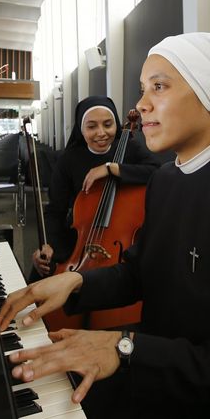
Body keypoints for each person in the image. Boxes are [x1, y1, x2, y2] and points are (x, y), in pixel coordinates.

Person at [0, 33, 210, 418]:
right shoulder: (166, 178)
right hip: (161, 377)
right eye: (143, 89)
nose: (141, 104)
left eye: (159, 86)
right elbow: (142, 273)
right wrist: (75, 282)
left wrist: (123, 347)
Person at [30, 96, 158, 281]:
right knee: (42, 278)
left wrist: (111, 168)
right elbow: (55, 211)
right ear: (81, 129)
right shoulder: (68, 160)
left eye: (108, 124)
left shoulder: (129, 148)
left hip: (122, 242)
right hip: (79, 239)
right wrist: (48, 245)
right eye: (91, 127)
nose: (101, 133)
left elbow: (157, 171)